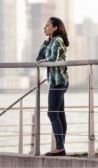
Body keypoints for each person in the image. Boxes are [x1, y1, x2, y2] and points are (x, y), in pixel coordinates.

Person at [36, 17, 69, 156]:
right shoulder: (51, 41)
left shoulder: (58, 40)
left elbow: (53, 60)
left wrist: (44, 60)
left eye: (47, 25)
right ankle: (61, 145)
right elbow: (38, 58)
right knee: (59, 114)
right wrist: (45, 42)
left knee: (52, 113)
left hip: (58, 81)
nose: (44, 27)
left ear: (55, 27)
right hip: (55, 81)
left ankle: (60, 147)